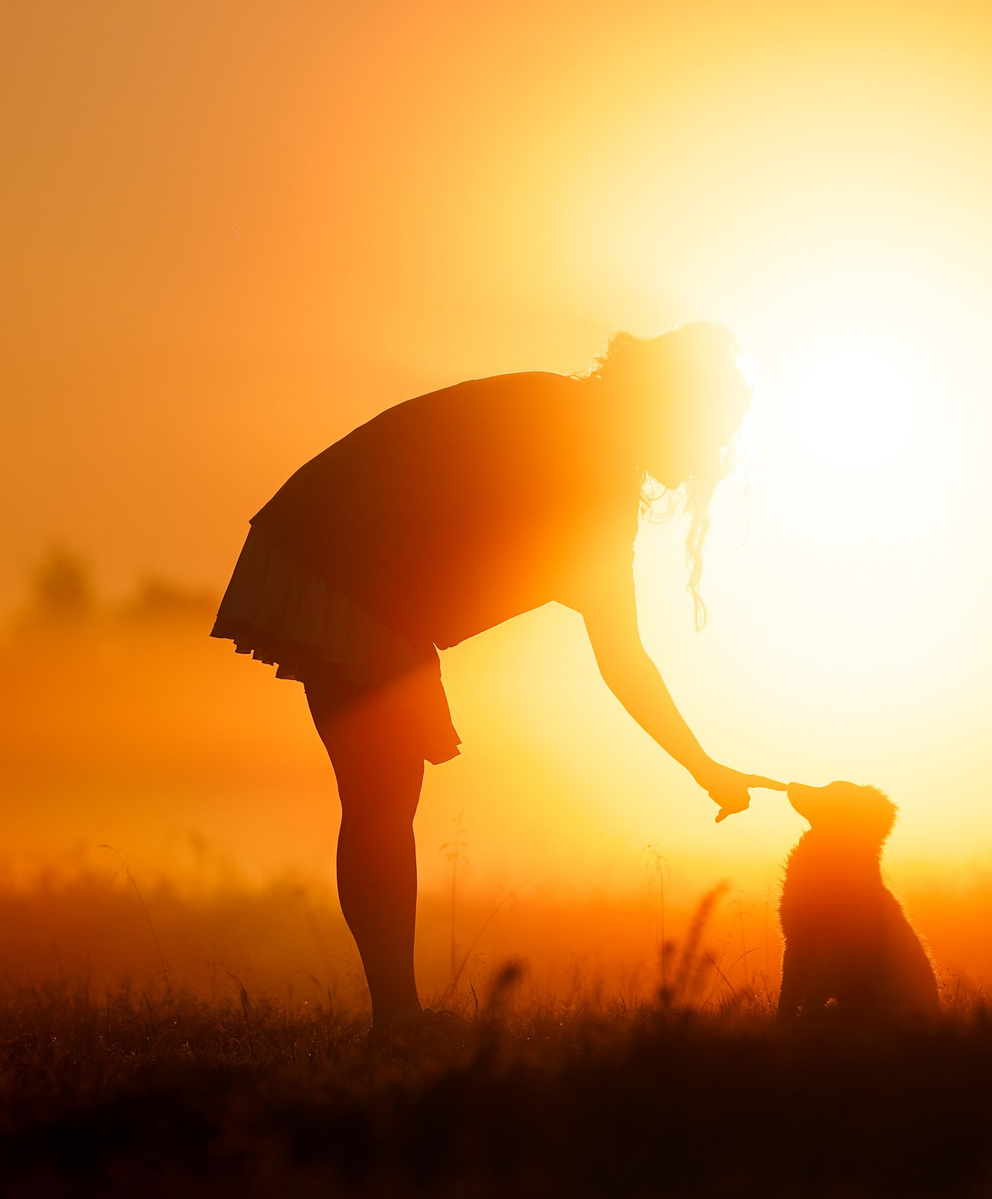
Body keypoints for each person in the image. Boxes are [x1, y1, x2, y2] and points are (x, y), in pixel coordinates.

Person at [212, 322, 778, 1029]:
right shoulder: (582, 460)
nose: (708, 455)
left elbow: (619, 652)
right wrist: (703, 765)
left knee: (379, 799)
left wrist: (703, 765)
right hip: (344, 559)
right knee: (381, 799)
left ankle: (396, 1012)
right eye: (706, 432)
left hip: (347, 557)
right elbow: (623, 658)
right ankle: (397, 1015)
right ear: (670, 406)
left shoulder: (578, 433)